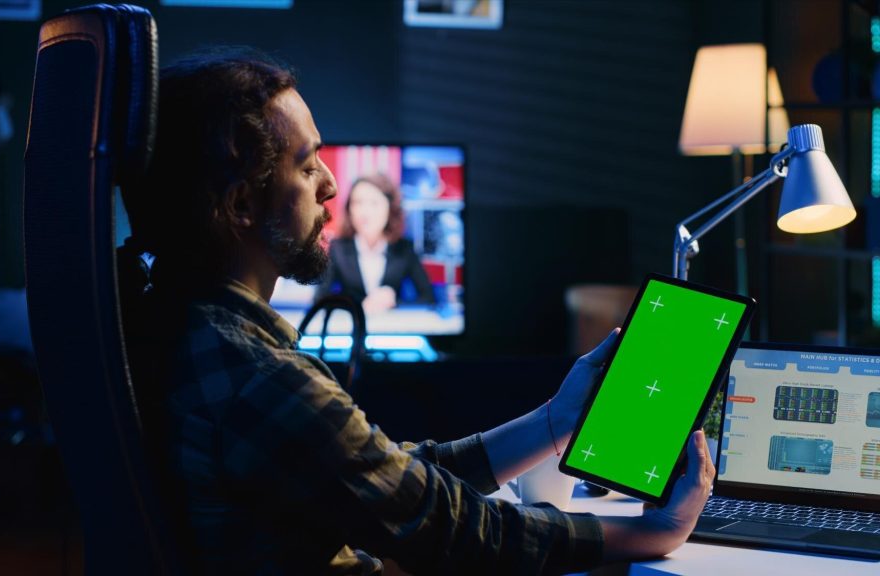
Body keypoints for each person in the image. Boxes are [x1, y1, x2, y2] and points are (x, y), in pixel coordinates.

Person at [126, 46, 714, 575]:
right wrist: (651, 532)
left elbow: (390, 482)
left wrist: (553, 422)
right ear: (240, 206)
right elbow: (447, 526)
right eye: (307, 167)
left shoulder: (181, 324)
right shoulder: (263, 380)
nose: (331, 185)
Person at [314, 173, 436, 313]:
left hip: (392, 331)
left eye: (374, 203)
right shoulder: (338, 248)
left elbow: (428, 299)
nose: (365, 212)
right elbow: (319, 301)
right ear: (349, 209)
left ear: (390, 208)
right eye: (358, 202)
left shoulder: (404, 249)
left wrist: (393, 303)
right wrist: (358, 307)